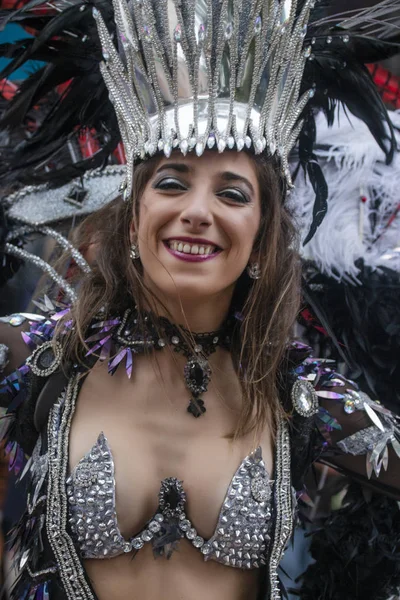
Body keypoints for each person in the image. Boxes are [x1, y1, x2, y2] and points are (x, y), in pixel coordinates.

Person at [0, 1, 399, 600]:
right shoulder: (43, 356)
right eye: (171, 182)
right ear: (134, 216)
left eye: (232, 194)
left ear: (262, 240)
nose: (196, 210)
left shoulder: (301, 393)